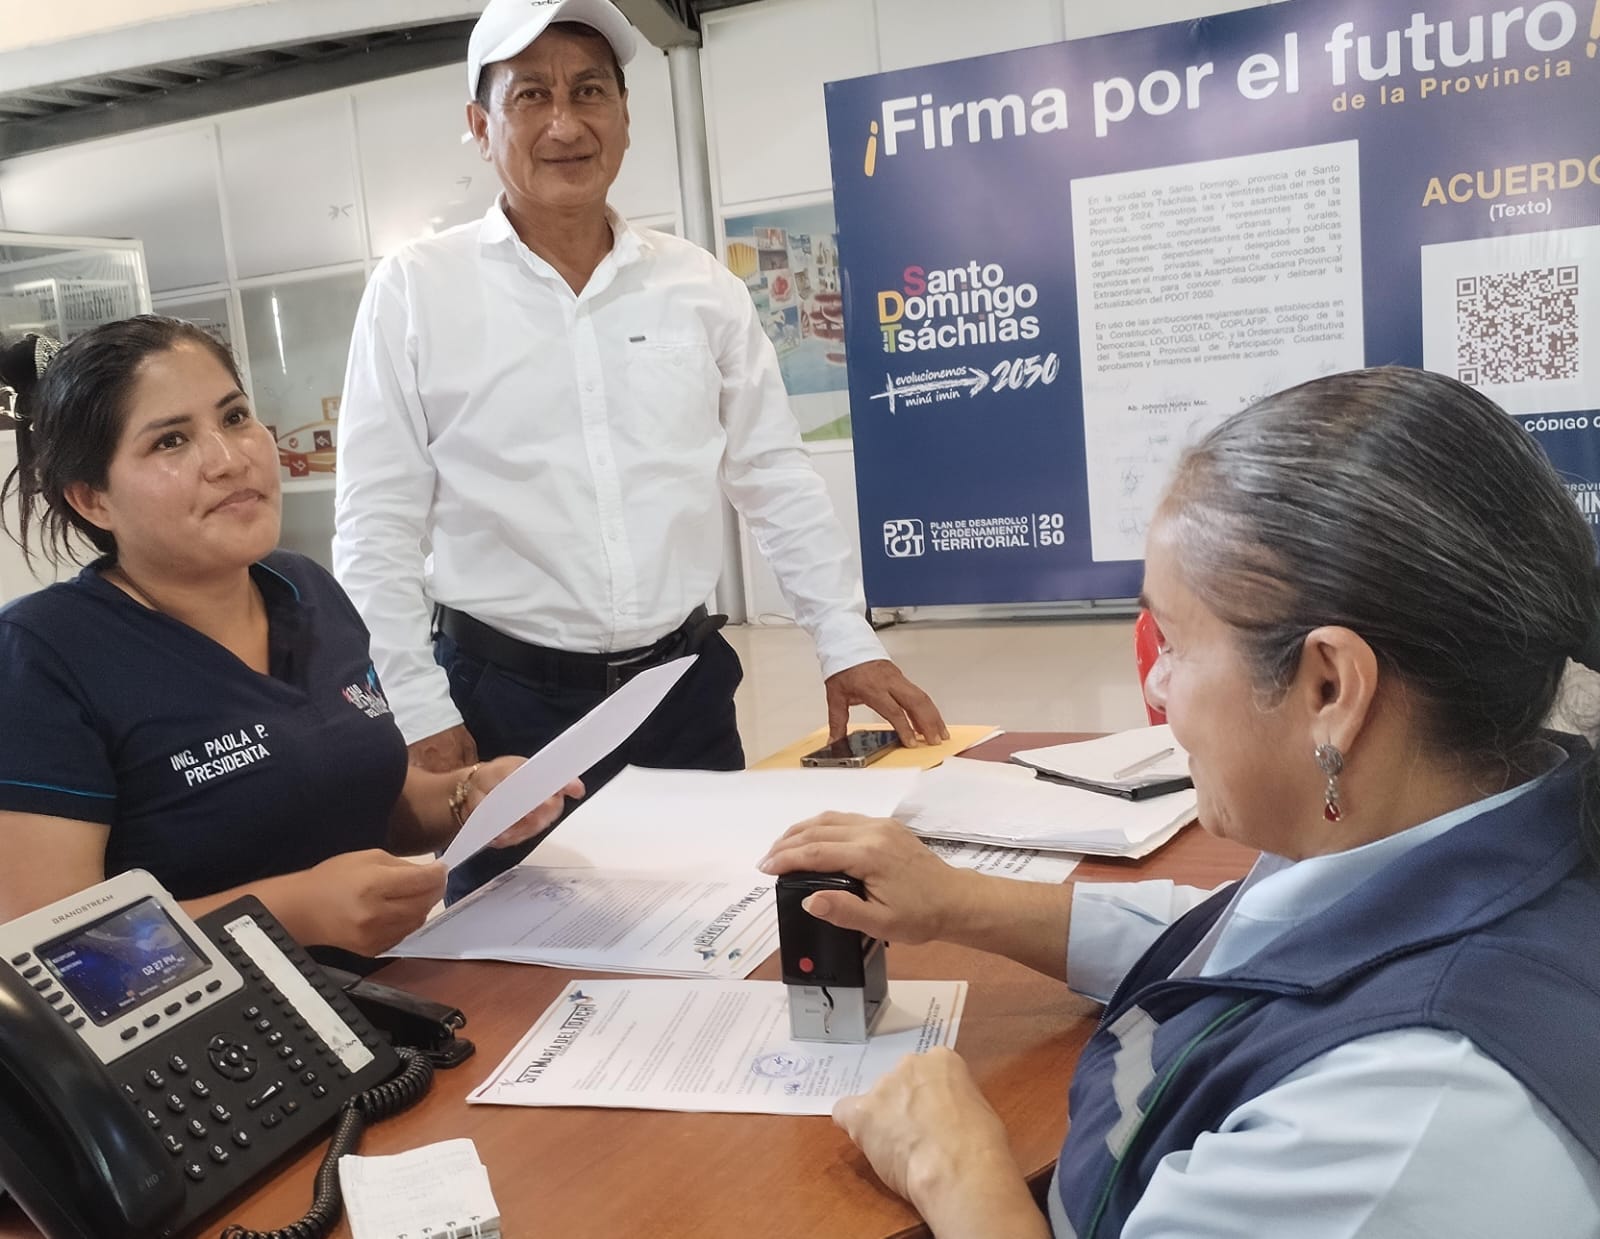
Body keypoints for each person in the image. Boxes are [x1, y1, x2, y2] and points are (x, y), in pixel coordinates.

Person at [760, 367, 1600, 1238]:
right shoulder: (1487, 820)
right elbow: (1252, 949)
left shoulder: (1400, 1122)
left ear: (1329, 686)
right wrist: (958, 901)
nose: (1157, 687)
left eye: (1176, 643)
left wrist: (956, 1168)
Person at [332, 0, 947, 903]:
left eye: (590, 92)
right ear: (480, 126)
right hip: (505, 707)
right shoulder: (416, 291)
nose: (565, 123)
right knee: (517, 946)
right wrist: (420, 710)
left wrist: (844, 639)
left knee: (717, 921)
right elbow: (375, 523)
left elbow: (773, 475)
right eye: (530, 95)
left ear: (625, 116)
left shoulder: (698, 286)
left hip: (680, 693)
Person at [0, 318, 580, 956]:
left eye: (235, 417)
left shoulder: (306, 589)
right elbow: (57, 945)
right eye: (170, 441)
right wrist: (292, 913)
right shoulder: (43, 655)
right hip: (230, 1019)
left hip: (395, 988)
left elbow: (359, 798)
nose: (230, 459)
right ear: (92, 500)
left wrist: (466, 796)